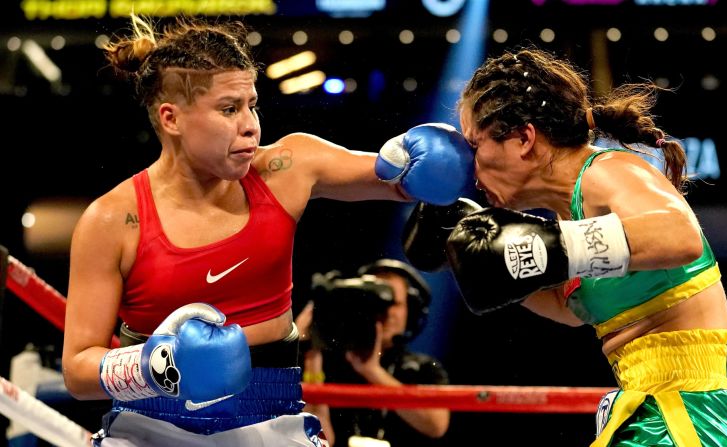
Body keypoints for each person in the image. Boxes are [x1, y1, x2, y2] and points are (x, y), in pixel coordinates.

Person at [61, 13, 473, 446]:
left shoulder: (286, 169)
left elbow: (405, 177)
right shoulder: (113, 220)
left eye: (251, 104)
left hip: (271, 422)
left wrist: (416, 160)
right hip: (149, 428)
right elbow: (78, 370)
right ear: (171, 119)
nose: (251, 125)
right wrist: (158, 367)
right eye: (229, 108)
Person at [405, 47, 727, 446]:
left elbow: (679, 236)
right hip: (659, 407)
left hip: (691, 411)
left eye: (476, 146)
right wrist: (486, 264)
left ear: (524, 138)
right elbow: (571, 309)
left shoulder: (606, 171)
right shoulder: (572, 216)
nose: (471, 169)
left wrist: (550, 247)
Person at [298, 259, 450, 447]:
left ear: (410, 310)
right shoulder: (327, 363)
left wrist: (372, 371)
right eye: (375, 300)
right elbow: (318, 441)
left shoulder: (422, 368)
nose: (384, 311)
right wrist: (310, 353)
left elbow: (436, 424)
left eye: (392, 302)